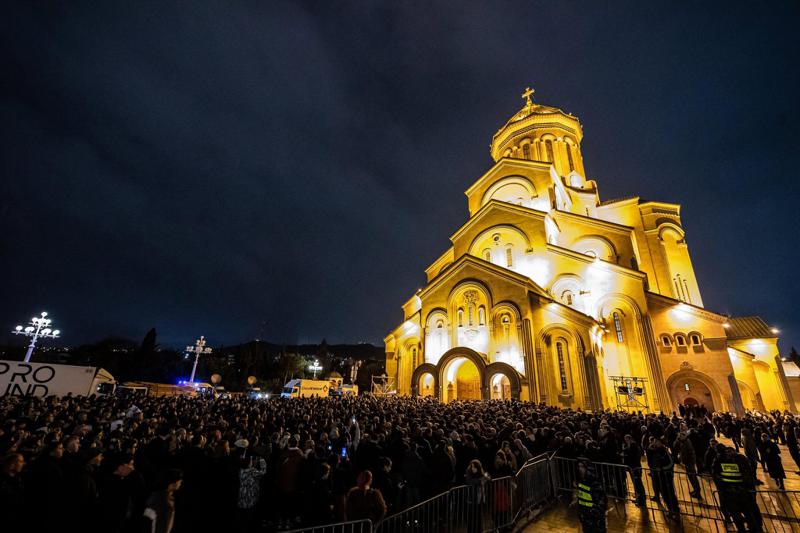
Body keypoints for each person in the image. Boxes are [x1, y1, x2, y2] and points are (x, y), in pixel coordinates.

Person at [711, 445, 763, 532]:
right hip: (740, 491)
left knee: (740, 514)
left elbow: (716, 475)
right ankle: (753, 528)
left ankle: (746, 529)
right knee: (747, 513)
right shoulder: (739, 459)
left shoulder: (719, 460)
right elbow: (747, 474)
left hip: (731, 492)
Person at [143, 468, 184, 533]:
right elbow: (152, 523)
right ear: (171, 483)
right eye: (179, 479)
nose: (181, 481)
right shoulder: (160, 500)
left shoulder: (164, 497)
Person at [575, 458, 607, 533]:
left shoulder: (593, 482)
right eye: (579, 467)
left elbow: (602, 501)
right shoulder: (581, 481)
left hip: (594, 519)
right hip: (586, 518)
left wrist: (594, 512)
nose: (580, 469)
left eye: (582, 467)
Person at [673, 426, 702, 500]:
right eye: (680, 435)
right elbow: (675, 446)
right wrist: (677, 439)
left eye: (682, 435)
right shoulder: (682, 441)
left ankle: (698, 492)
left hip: (690, 463)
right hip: (686, 462)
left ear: (685, 436)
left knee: (693, 478)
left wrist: (691, 463)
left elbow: (692, 454)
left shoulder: (687, 442)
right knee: (691, 478)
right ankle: (695, 490)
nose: (680, 436)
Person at [620, 434, 645, 507]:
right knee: (636, 484)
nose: (626, 441)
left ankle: (641, 501)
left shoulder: (633, 446)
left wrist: (625, 455)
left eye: (627, 439)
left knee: (638, 484)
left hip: (635, 467)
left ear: (630, 439)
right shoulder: (630, 446)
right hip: (632, 467)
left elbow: (633, 456)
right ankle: (638, 498)